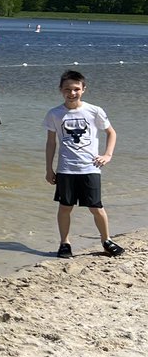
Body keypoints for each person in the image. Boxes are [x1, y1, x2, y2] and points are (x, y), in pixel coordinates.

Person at [44, 70, 123, 258]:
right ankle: (65, 243)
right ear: (60, 90)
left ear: (83, 89)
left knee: (96, 207)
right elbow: (51, 142)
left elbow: (111, 133)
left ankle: (106, 240)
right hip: (66, 168)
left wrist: (107, 155)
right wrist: (49, 168)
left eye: (76, 89)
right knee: (65, 207)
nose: (72, 93)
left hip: (90, 168)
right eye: (67, 89)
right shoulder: (55, 114)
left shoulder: (94, 111)